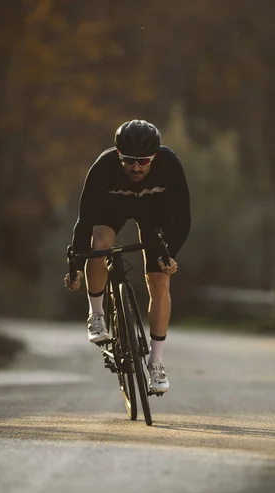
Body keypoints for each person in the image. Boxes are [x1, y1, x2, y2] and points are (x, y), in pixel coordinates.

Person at [64, 119, 191, 394]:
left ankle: (155, 364)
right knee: (100, 244)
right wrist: (75, 264)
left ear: (155, 157)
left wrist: (171, 254)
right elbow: (84, 221)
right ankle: (96, 313)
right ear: (118, 154)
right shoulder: (102, 167)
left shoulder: (169, 165)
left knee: (159, 281)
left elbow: (183, 219)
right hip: (112, 208)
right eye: (129, 160)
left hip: (154, 212)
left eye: (144, 161)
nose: (136, 167)